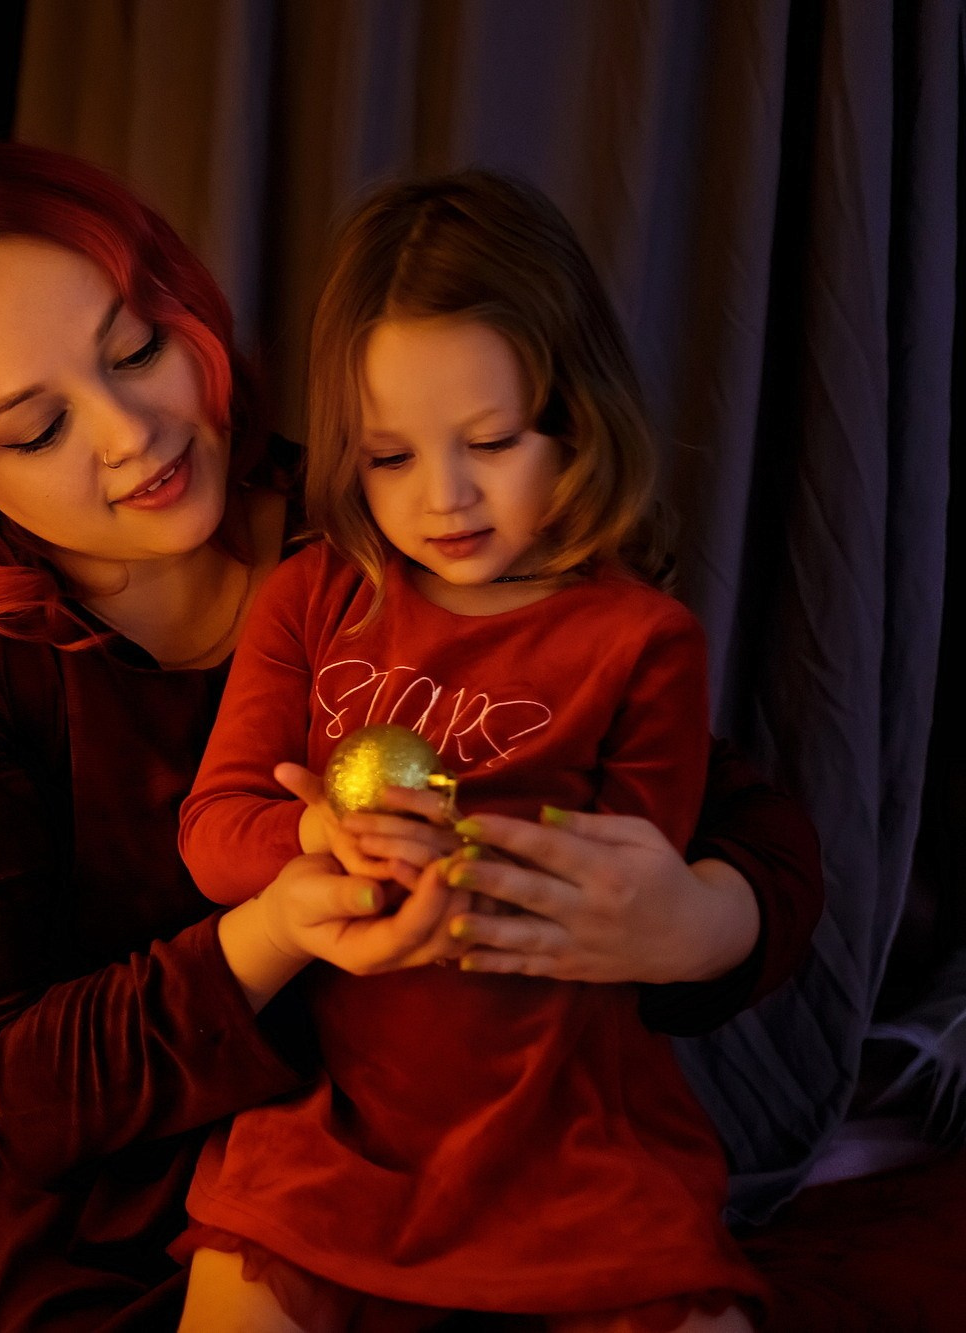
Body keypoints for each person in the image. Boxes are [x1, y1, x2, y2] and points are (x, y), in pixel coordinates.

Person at [0, 141, 822, 1333]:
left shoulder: (369, 523)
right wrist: (272, 929)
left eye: (137, 350)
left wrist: (693, 923)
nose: (132, 432)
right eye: (37, 427)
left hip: (419, 1168)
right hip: (69, 1237)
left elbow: (737, 827)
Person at [172, 171, 758, 1332]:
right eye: (388, 456)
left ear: (572, 417)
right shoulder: (309, 600)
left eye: (489, 442)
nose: (442, 497)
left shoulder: (639, 640)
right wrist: (317, 836)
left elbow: (621, 902)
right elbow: (211, 831)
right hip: (339, 1132)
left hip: (566, 1132)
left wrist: (474, 860)